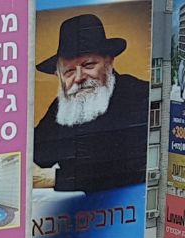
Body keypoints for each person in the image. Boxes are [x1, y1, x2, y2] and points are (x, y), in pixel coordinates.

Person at [32, 14, 150, 193]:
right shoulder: (62, 105)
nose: (79, 78)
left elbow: (131, 167)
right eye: (69, 71)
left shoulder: (139, 95)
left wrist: (54, 178)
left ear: (109, 63)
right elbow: (37, 152)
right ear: (59, 76)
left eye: (88, 65)